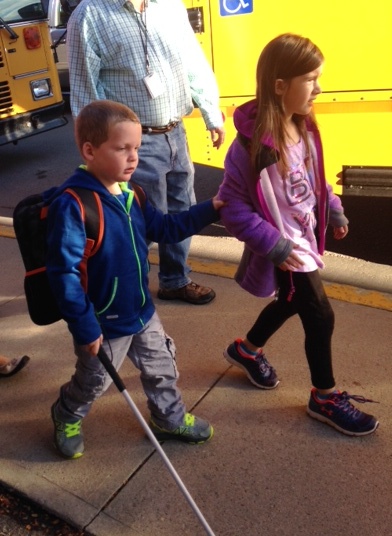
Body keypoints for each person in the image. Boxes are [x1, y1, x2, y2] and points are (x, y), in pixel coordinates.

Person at [218, 33, 379, 437]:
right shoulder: (248, 148)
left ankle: (247, 350)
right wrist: (273, 244)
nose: (319, 88)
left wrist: (335, 209)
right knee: (320, 313)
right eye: (310, 78)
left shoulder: (305, 129)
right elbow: (232, 207)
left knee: (291, 300)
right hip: (286, 247)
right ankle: (324, 397)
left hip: (305, 237)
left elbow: (317, 181)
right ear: (280, 86)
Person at [47, 100, 225, 459]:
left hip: (141, 310)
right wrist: (84, 326)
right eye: (122, 148)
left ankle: (168, 418)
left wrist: (212, 207)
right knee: (93, 381)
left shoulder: (134, 195)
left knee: (162, 368)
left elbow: (167, 227)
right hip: (101, 323)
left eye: (137, 148)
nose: (133, 158)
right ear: (89, 150)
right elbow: (64, 273)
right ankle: (66, 413)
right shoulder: (74, 205)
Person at [66, 0, 225, 305]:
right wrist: (101, 154)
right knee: (137, 222)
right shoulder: (90, 15)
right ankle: (124, 290)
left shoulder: (170, 6)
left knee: (181, 210)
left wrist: (211, 113)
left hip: (176, 133)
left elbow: (193, 62)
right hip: (133, 144)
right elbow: (87, 93)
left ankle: (174, 280)